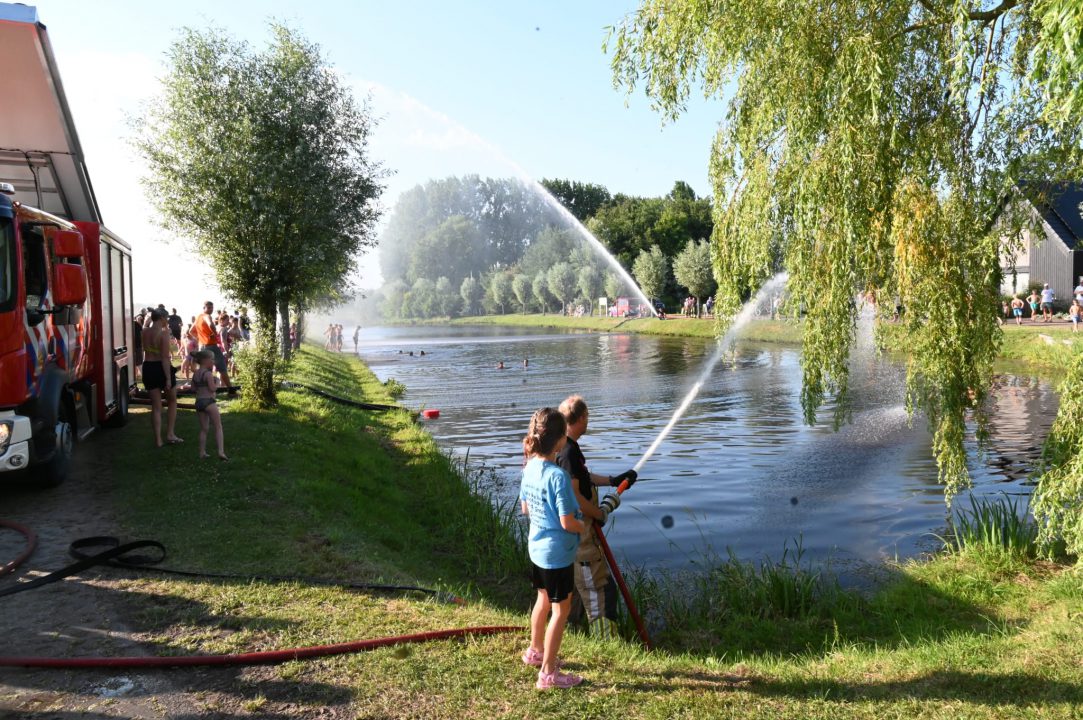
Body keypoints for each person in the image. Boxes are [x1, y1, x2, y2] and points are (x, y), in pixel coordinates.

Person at [555, 395, 637, 639]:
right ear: (582, 418)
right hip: (582, 540)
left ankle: (572, 633)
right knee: (599, 592)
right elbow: (575, 496)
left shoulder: (567, 447)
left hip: (576, 537)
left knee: (579, 590)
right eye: (587, 417)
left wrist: (613, 480)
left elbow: (583, 478)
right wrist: (599, 513)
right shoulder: (568, 452)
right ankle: (605, 644)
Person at [518, 407, 585, 690]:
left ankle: (535, 651)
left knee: (542, 600)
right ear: (560, 440)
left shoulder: (529, 468)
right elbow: (567, 522)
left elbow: (525, 508)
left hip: (537, 549)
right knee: (561, 610)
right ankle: (548, 674)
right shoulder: (558, 476)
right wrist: (582, 526)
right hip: (557, 555)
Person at [141, 308, 182, 447]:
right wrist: (168, 379)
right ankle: (170, 434)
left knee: (156, 406)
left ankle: (158, 440)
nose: (168, 320)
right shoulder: (164, 333)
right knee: (172, 401)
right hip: (161, 368)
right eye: (167, 318)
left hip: (148, 367)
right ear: (162, 318)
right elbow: (165, 357)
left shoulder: (144, 331)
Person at [188, 349, 227, 460]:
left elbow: (193, 389)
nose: (213, 362)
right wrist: (217, 382)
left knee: (204, 429)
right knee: (218, 426)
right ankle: (221, 452)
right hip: (209, 402)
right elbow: (212, 389)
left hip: (199, 402)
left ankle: (202, 452)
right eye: (212, 359)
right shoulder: (208, 374)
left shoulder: (196, 373)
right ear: (205, 361)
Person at [193, 301, 232, 391]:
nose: (211, 309)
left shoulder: (198, 317)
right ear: (204, 308)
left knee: (205, 369)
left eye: (212, 308)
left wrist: (200, 338)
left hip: (202, 346)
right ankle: (230, 389)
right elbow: (210, 324)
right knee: (222, 367)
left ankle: (205, 389)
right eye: (209, 308)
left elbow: (191, 331)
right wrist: (215, 334)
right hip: (211, 346)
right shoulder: (207, 316)